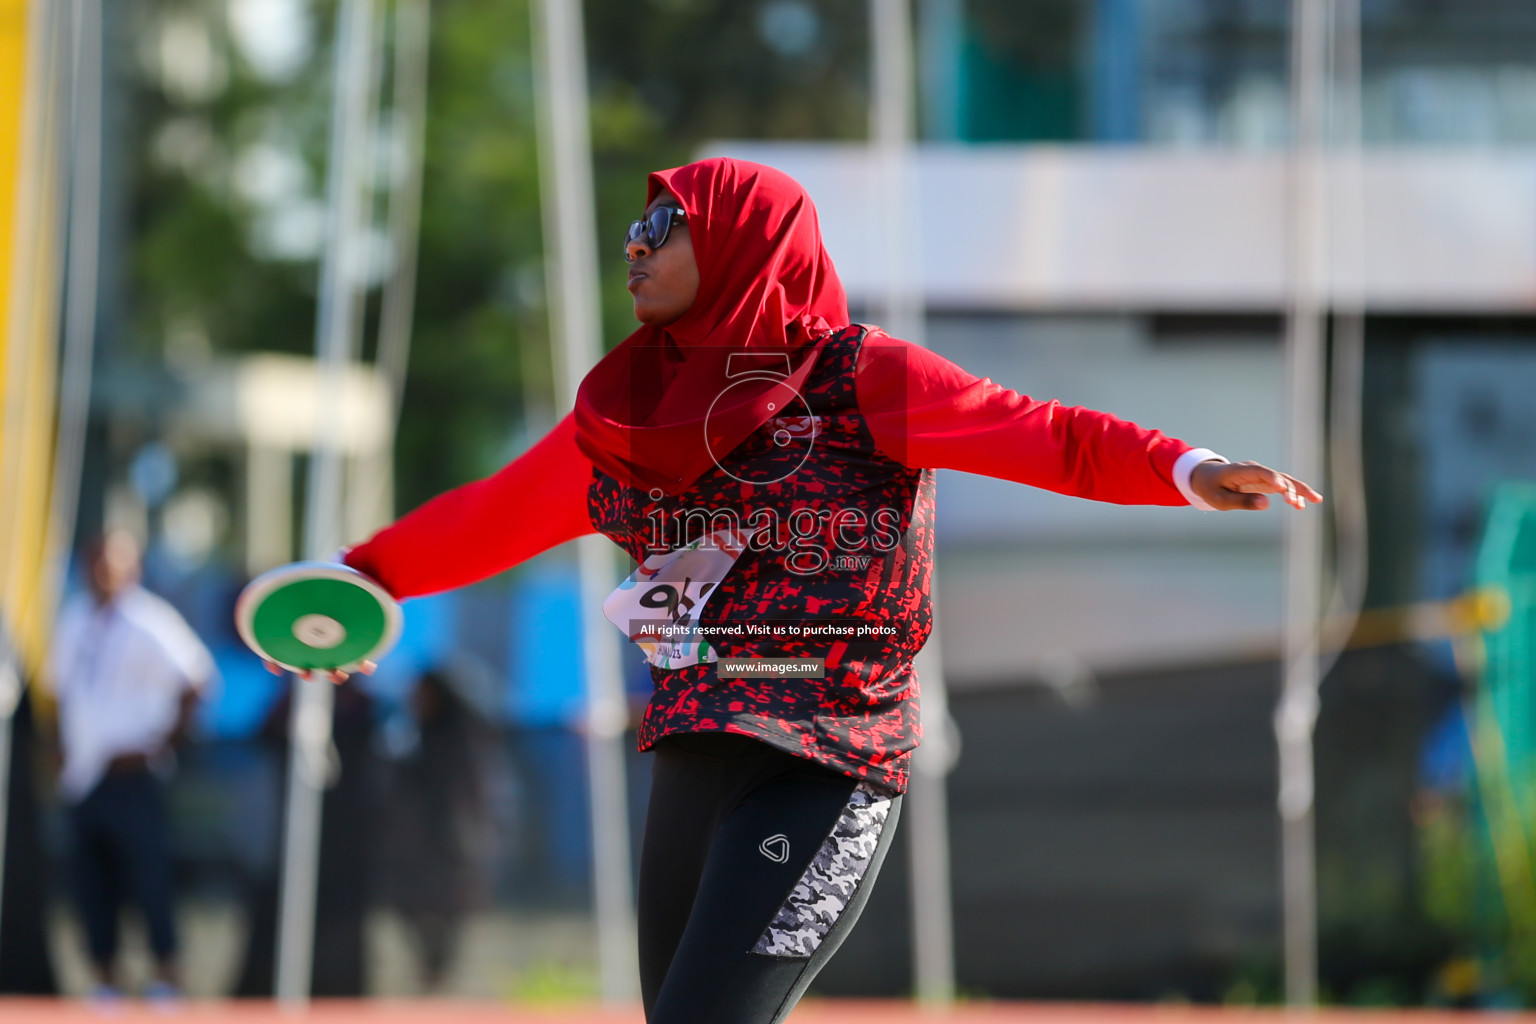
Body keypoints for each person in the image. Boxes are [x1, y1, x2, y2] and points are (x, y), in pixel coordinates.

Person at [328, 158, 1321, 1023]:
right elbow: (494, 514)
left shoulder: (858, 379)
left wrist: (1187, 467)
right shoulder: (626, 413)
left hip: (828, 760)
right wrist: (355, 584)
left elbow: (1041, 431)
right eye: (632, 228)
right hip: (693, 755)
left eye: (661, 226)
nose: (632, 247)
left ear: (739, 244)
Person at [45, 529, 213, 1001]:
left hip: (133, 774)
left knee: (148, 878)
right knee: (91, 883)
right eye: (96, 563)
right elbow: (61, 693)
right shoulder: (74, 620)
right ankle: (104, 977)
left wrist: (162, 743)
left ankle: (166, 974)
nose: (103, 573)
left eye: (112, 563)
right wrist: (60, 748)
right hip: (84, 776)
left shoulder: (150, 622)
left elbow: (196, 681)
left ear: (131, 569)